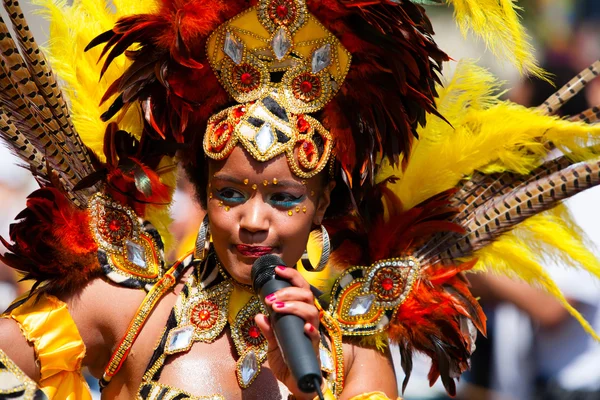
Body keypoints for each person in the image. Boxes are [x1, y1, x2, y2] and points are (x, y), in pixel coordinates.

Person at [0, 0, 600, 399]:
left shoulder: (354, 359)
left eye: (284, 198)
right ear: (203, 195)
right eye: (230, 193)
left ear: (321, 211)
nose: (252, 221)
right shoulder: (129, 306)